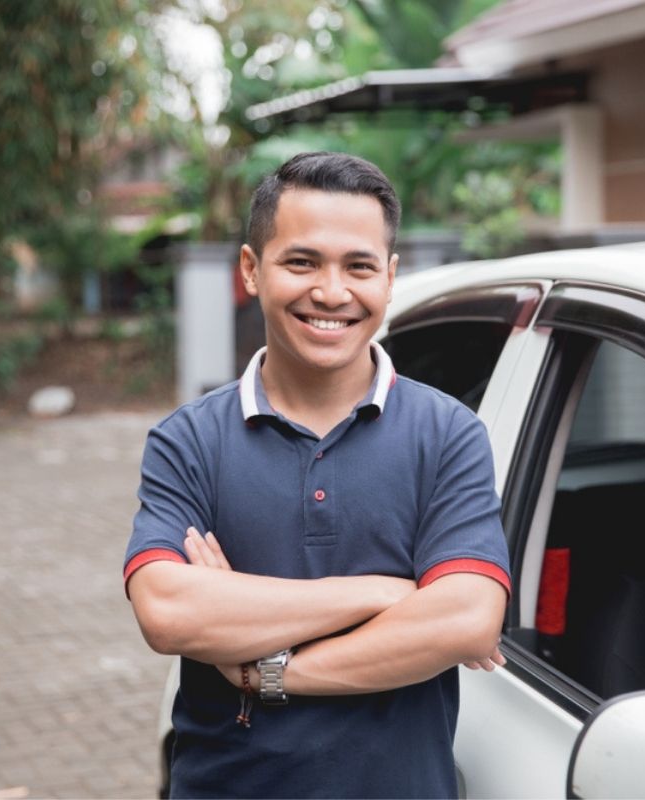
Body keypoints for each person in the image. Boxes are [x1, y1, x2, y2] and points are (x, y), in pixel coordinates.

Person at [124, 152, 511, 799]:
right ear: (252, 270)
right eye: (302, 262)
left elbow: (467, 619)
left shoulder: (448, 435)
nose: (332, 293)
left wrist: (261, 672)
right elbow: (168, 611)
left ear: (389, 278)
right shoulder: (188, 440)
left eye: (358, 266)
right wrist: (382, 594)